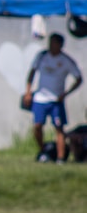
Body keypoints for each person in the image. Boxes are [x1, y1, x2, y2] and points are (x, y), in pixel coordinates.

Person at [24, 32, 83, 163]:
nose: (51, 45)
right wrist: (28, 92)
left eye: (54, 43)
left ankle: (61, 159)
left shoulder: (66, 61)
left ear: (60, 45)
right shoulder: (42, 57)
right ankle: (44, 150)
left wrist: (66, 93)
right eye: (50, 43)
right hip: (40, 99)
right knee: (37, 126)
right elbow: (31, 73)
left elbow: (79, 78)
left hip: (56, 101)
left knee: (59, 128)